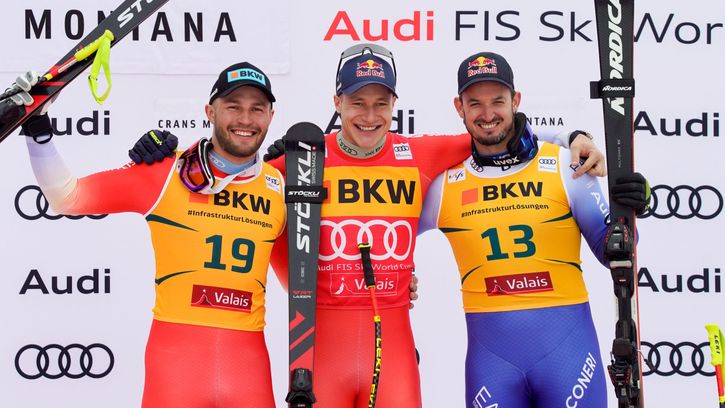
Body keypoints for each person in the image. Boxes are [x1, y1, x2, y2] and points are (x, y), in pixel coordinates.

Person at [128, 44, 608, 407]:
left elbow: (494, 132)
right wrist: (169, 155)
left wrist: (572, 136)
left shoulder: (419, 154)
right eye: (358, 102)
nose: (370, 115)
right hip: (323, 352)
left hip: (392, 350)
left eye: (381, 102)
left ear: (394, 103)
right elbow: (231, 167)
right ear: (337, 102)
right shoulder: (301, 162)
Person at [15, 62, 286, 407]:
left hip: (248, 366)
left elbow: (301, 285)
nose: (245, 119)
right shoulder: (167, 172)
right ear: (210, 111)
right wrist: (38, 131)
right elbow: (67, 197)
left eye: (257, 109)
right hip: (176, 366)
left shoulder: (281, 185)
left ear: (270, 116)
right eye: (233, 106)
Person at [418, 51, 650, 408]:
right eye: (475, 103)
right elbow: (391, 231)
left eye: (498, 101)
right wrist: (394, 276)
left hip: (569, 359)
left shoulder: (565, 164)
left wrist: (631, 208)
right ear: (459, 107)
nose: (487, 113)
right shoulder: (445, 184)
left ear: (516, 100)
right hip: (492, 368)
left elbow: (614, 253)